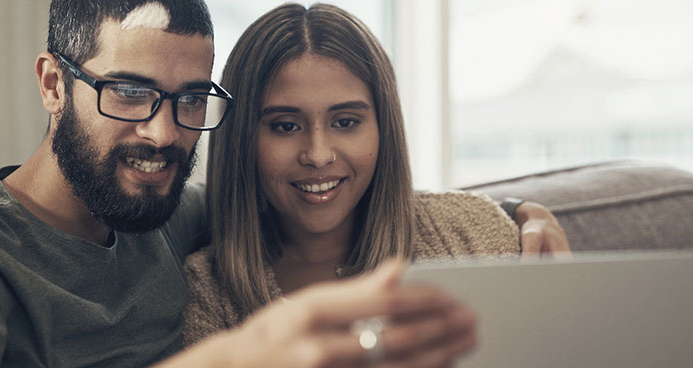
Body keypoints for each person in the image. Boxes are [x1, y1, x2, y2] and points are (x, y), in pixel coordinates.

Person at [0, 0, 566, 367]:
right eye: (131, 92)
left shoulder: (168, 215)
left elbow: (327, 203)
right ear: (54, 83)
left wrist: (524, 215)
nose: (164, 134)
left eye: (191, 99)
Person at [182, 2, 570, 347]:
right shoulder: (207, 290)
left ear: (384, 128)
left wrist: (521, 212)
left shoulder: (470, 233)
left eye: (346, 121)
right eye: (285, 126)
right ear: (242, 140)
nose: (318, 155)